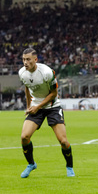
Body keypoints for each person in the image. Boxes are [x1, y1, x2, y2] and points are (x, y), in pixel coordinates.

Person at [19, 48, 75, 178]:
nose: (25, 62)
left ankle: (69, 166)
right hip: (36, 107)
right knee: (24, 137)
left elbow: (54, 94)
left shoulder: (47, 72)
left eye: (28, 59)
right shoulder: (22, 73)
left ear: (35, 60)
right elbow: (27, 88)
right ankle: (31, 164)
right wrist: (28, 106)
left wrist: (37, 106)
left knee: (63, 141)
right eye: (23, 59)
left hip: (53, 107)